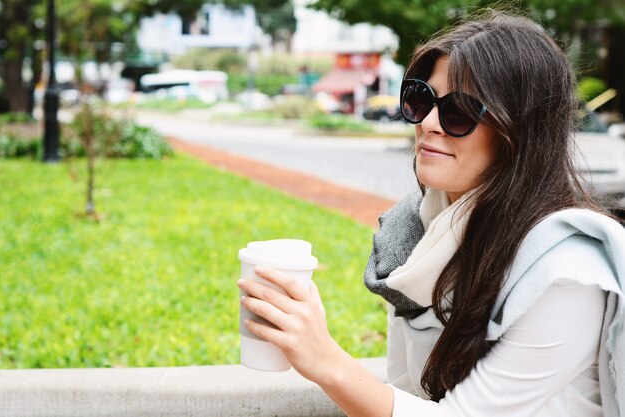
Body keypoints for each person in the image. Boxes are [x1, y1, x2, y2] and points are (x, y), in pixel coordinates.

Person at [237, 11, 625, 417]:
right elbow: (409, 392)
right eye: (421, 99)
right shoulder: (415, 233)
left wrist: (325, 360)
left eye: (459, 111)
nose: (428, 123)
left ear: (520, 132)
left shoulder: (566, 272)